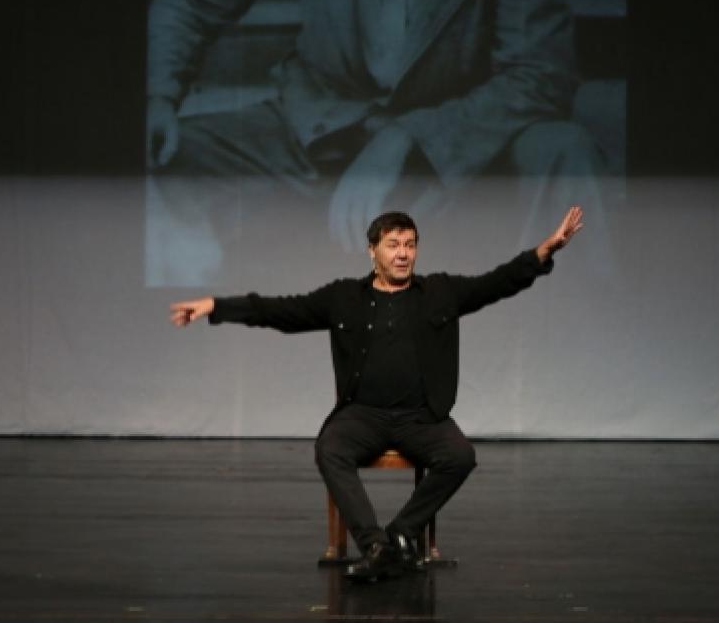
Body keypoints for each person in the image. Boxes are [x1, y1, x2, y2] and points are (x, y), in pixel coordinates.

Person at [169, 206, 585, 581]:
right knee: (330, 449)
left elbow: (497, 283)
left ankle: (400, 535)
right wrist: (217, 306)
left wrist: (544, 252)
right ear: (372, 251)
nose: (403, 254)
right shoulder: (345, 298)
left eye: (410, 245)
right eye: (393, 245)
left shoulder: (439, 292)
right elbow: (280, 311)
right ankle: (374, 546)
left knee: (460, 456)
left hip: (421, 416)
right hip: (362, 414)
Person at [147, 0, 610, 285]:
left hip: (453, 144)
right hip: (320, 128)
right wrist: (158, 94)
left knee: (562, 151)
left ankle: (572, 366)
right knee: (159, 157)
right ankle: (183, 365)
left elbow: (540, 75)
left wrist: (408, 137)